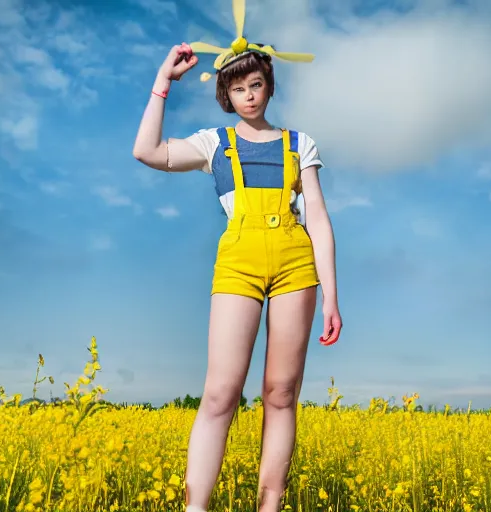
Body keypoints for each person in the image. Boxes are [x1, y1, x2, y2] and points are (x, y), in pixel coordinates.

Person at [132, 39, 342, 512]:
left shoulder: (299, 144)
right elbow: (146, 151)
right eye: (238, 88)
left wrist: (331, 295)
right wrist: (163, 80)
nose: (249, 95)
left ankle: (270, 507)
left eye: (257, 84)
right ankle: (195, 507)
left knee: (281, 392)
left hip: (295, 264)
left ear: (269, 87)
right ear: (226, 95)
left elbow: (320, 222)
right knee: (220, 392)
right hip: (238, 265)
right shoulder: (215, 143)